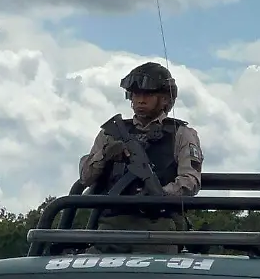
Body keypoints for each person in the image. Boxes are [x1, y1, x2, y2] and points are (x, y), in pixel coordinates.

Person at [78, 61, 204, 254]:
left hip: (159, 227)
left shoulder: (181, 134)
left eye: (148, 94)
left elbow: (190, 181)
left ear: (164, 99)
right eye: (136, 94)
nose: (140, 100)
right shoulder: (111, 134)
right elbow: (85, 178)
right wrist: (106, 155)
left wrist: (157, 195)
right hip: (111, 226)